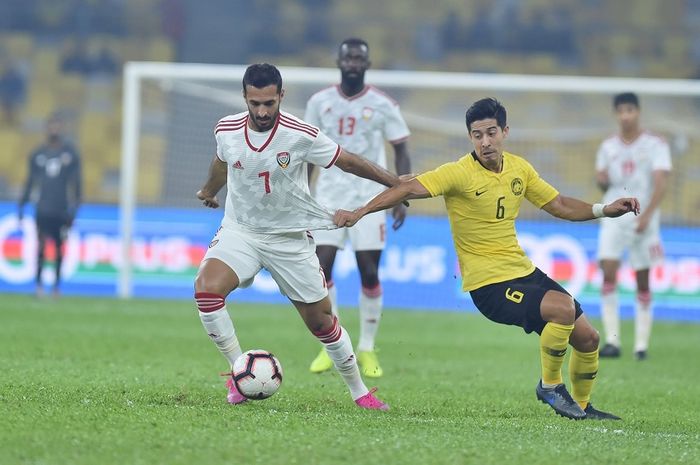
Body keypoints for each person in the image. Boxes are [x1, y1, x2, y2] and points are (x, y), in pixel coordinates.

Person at [334, 97, 640, 420]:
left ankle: (581, 407)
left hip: (523, 271)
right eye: (477, 135)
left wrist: (604, 209)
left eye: (491, 133)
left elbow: (560, 204)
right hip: (489, 285)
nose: (485, 142)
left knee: (589, 338)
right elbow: (407, 188)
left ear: (505, 131)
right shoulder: (457, 173)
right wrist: (361, 211)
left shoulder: (520, 169)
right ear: (470, 138)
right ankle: (550, 386)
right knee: (562, 310)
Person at [194, 63, 404, 410]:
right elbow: (222, 162)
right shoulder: (226, 129)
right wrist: (209, 190)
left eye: (269, 103)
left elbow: (348, 161)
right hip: (241, 231)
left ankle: (360, 392)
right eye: (255, 103)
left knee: (322, 322)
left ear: (281, 96)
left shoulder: (300, 133)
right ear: (245, 98)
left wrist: (395, 183)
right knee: (206, 290)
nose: (262, 111)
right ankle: (237, 374)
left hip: (289, 239)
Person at [304, 38, 412, 378]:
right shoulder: (319, 102)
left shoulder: (383, 104)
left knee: (369, 273)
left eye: (358, 58)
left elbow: (401, 149)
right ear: (338, 60)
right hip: (328, 198)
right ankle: (331, 346)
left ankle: (366, 347)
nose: (352, 62)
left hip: (370, 200)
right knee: (321, 272)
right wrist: (304, 193)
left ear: (366, 64)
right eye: (348, 56)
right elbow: (306, 150)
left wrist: (400, 193)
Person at [595, 92, 672, 361]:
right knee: (608, 273)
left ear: (638, 112)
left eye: (630, 110)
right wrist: (601, 180)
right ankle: (612, 341)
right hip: (614, 215)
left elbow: (661, 182)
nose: (626, 115)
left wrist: (648, 216)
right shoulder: (607, 147)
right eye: (621, 111)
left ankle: (641, 346)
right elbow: (603, 182)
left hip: (643, 216)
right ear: (616, 114)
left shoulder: (655, 144)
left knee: (642, 281)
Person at [18, 115, 82, 298]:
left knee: (60, 248)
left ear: (62, 130)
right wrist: (22, 205)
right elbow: (30, 182)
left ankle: (56, 287)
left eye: (57, 126)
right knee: (41, 246)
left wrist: (74, 209)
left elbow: (77, 184)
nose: (54, 130)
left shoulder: (70, 154)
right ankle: (38, 286)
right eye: (51, 127)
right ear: (46, 129)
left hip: (61, 209)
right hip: (43, 208)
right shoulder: (38, 154)